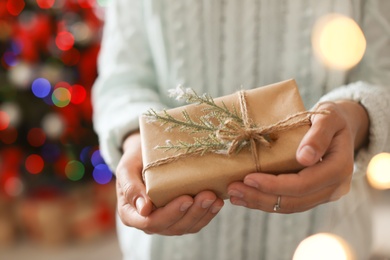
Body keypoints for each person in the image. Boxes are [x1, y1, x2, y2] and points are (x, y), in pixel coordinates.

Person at [92, 1, 390, 259]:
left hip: (326, 240)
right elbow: (121, 82)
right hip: (173, 249)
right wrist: (136, 143)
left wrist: (356, 118)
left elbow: (384, 75)